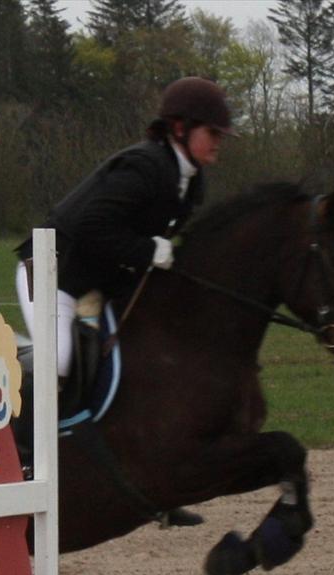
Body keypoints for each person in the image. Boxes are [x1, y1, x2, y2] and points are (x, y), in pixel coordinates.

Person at [15, 76, 235, 380]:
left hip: (100, 281)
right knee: (59, 362)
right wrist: (149, 251)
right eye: (212, 132)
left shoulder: (192, 182)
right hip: (50, 273)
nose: (218, 141)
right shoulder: (144, 166)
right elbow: (92, 227)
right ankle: (10, 381)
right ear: (181, 128)